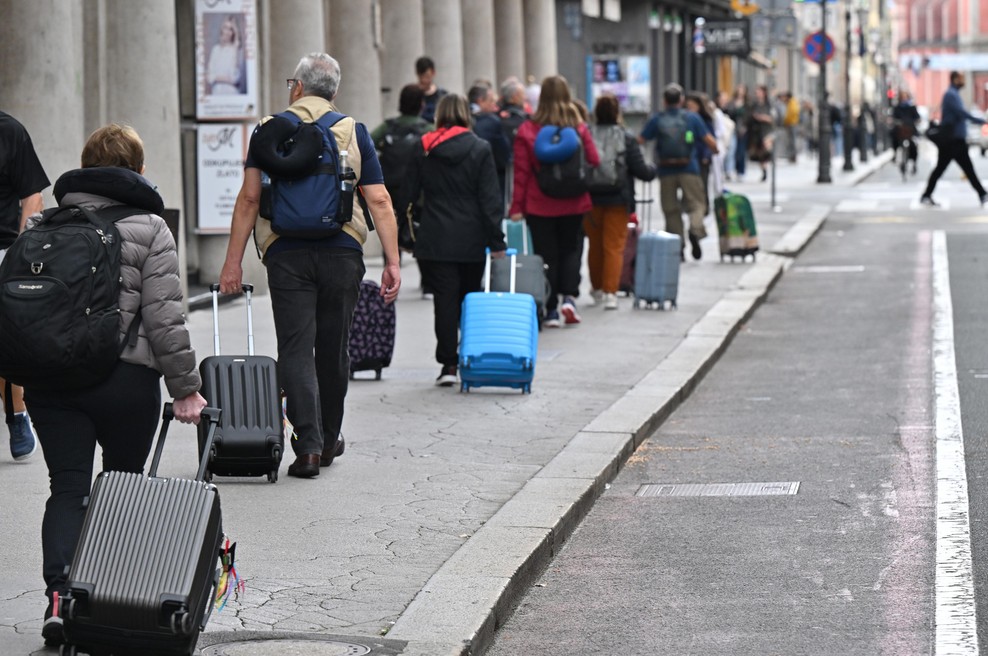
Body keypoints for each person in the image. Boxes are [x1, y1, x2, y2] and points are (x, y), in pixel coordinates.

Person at [27, 123, 207, 647]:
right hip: (124, 381)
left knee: (68, 488)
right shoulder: (151, 226)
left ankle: (60, 597)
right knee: (121, 492)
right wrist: (186, 388)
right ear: (139, 171)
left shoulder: (44, 222)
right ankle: (106, 601)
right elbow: (164, 318)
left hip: (53, 380)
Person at [219, 53, 401, 479]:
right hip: (341, 252)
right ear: (333, 92)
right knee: (334, 348)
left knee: (296, 349)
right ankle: (330, 435)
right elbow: (379, 200)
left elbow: (249, 199)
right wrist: (392, 261)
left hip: (285, 254)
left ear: (296, 87)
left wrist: (232, 264)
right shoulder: (352, 131)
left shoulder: (269, 130)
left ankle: (309, 448)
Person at [403, 94, 505, 385]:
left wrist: (403, 234)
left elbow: (407, 194)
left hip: (435, 236)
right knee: (469, 299)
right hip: (471, 237)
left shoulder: (423, 147)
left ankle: (448, 365)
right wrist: (496, 242)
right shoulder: (480, 148)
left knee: (444, 301)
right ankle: (469, 356)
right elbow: (490, 200)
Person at [509, 75, 600, 327]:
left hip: (540, 203)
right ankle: (569, 298)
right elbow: (594, 159)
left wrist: (516, 207)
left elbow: (521, 173)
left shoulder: (528, 130)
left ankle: (549, 309)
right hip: (575, 200)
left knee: (545, 254)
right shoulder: (578, 127)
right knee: (571, 249)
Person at [0, 111, 48, 463]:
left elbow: (33, 198)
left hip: (3, 249)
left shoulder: (10, 131)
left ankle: (17, 413)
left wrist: (21, 253)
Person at [586, 94, 656, 310]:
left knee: (595, 246)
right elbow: (641, 170)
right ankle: (610, 293)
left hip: (591, 199)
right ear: (618, 113)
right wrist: (653, 169)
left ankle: (597, 288)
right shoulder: (626, 137)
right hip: (618, 199)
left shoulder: (587, 135)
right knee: (614, 247)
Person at [639, 83, 718, 261]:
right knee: (697, 203)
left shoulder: (657, 119)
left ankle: (678, 243)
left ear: (665, 101)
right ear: (681, 100)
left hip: (666, 170)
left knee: (671, 209)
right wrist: (715, 152)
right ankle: (695, 230)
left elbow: (641, 139)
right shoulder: (692, 118)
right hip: (689, 168)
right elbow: (710, 142)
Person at [921, 71, 988, 206]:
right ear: (955, 79)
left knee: (943, 169)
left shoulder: (953, 94)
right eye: (961, 79)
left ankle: (926, 195)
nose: (963, 81)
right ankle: (982, 194)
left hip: (953, 141)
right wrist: (980, 120)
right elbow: (961, 113)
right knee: (966, 169)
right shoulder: (951, 95)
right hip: (953, 141)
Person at [468, 84, 511, 199]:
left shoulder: (461, 118)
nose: (494, 105)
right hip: (490, 176)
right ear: (480, 101)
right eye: (491, 101)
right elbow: (504, 152)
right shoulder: (492, 122)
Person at [685, 91, 716, 215]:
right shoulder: (687, 119)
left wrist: (706, 155)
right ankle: (693, 206)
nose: (690, 108)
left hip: (702, 157)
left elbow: (711, 139)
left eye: (692, 105)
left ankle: (704, 207)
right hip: (691, 156)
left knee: (702, 184)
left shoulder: (704, 120)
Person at [207, 15, 244, 95]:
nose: (227, 32)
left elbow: (235, 79)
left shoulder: (235, 51)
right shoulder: (215, 49)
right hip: (216, 94)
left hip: (232, 94)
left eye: (231, 29)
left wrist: (216, 78)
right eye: (225, 28)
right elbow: (209, 77)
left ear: (234, 33)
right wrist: (228, 80)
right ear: (221, 29)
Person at [745, 85, 775, 182]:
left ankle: (766, 168)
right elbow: (749, 116)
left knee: (766, 150)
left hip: (767, 131)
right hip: (756, 131)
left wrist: (763, 118)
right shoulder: (753, 104)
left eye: (759, 91)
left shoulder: (769, 105)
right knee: (760, 153)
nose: (757, 93)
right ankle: (764, 170)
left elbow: (773, 118)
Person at [891, 90, 920, 173]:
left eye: (905, 97)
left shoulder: (912, 107)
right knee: (894, 139)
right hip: (900, 130)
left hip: (910, 130)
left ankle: (914, 163)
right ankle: (895, 154)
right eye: (902, 97)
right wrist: (896, 121)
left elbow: (917, 117)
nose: (904, 98)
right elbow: (894, 117)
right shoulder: (897, 107)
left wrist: (917, 121)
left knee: (914, 146)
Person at [416, 56, 447, 124]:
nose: (423, 80)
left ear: (433, 73)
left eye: (427, 76)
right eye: (421, 76)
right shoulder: (413, 94)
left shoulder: (442, 95)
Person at [728, 84, 749, 180]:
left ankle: (741, 171)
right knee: (732, 150)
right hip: (733, 128)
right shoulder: (732, 102)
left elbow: (749, 116)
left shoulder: (747, 103)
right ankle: (732, 169)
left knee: (741, 151)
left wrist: (745, 127)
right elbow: (729, 113)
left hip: (743, 130)